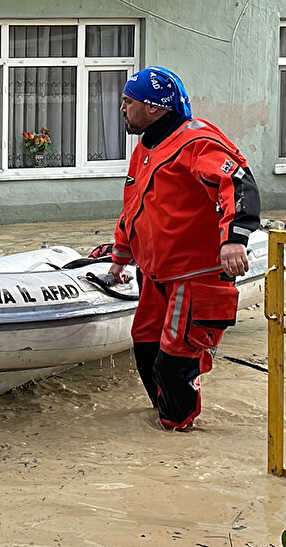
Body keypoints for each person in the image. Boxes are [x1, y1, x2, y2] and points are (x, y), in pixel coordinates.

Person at [108, 66, 260, 431]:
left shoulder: (197, 142)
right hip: (155, 274)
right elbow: (135, 208)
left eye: (129, 102)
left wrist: (235, 239)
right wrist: (120, 256)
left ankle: (178, 434)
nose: (121, 109)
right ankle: (165, 418)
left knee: (174, 362)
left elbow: (238, 185)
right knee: (145, 349)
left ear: (156, 108)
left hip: (194, 277)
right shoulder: (145, 148)